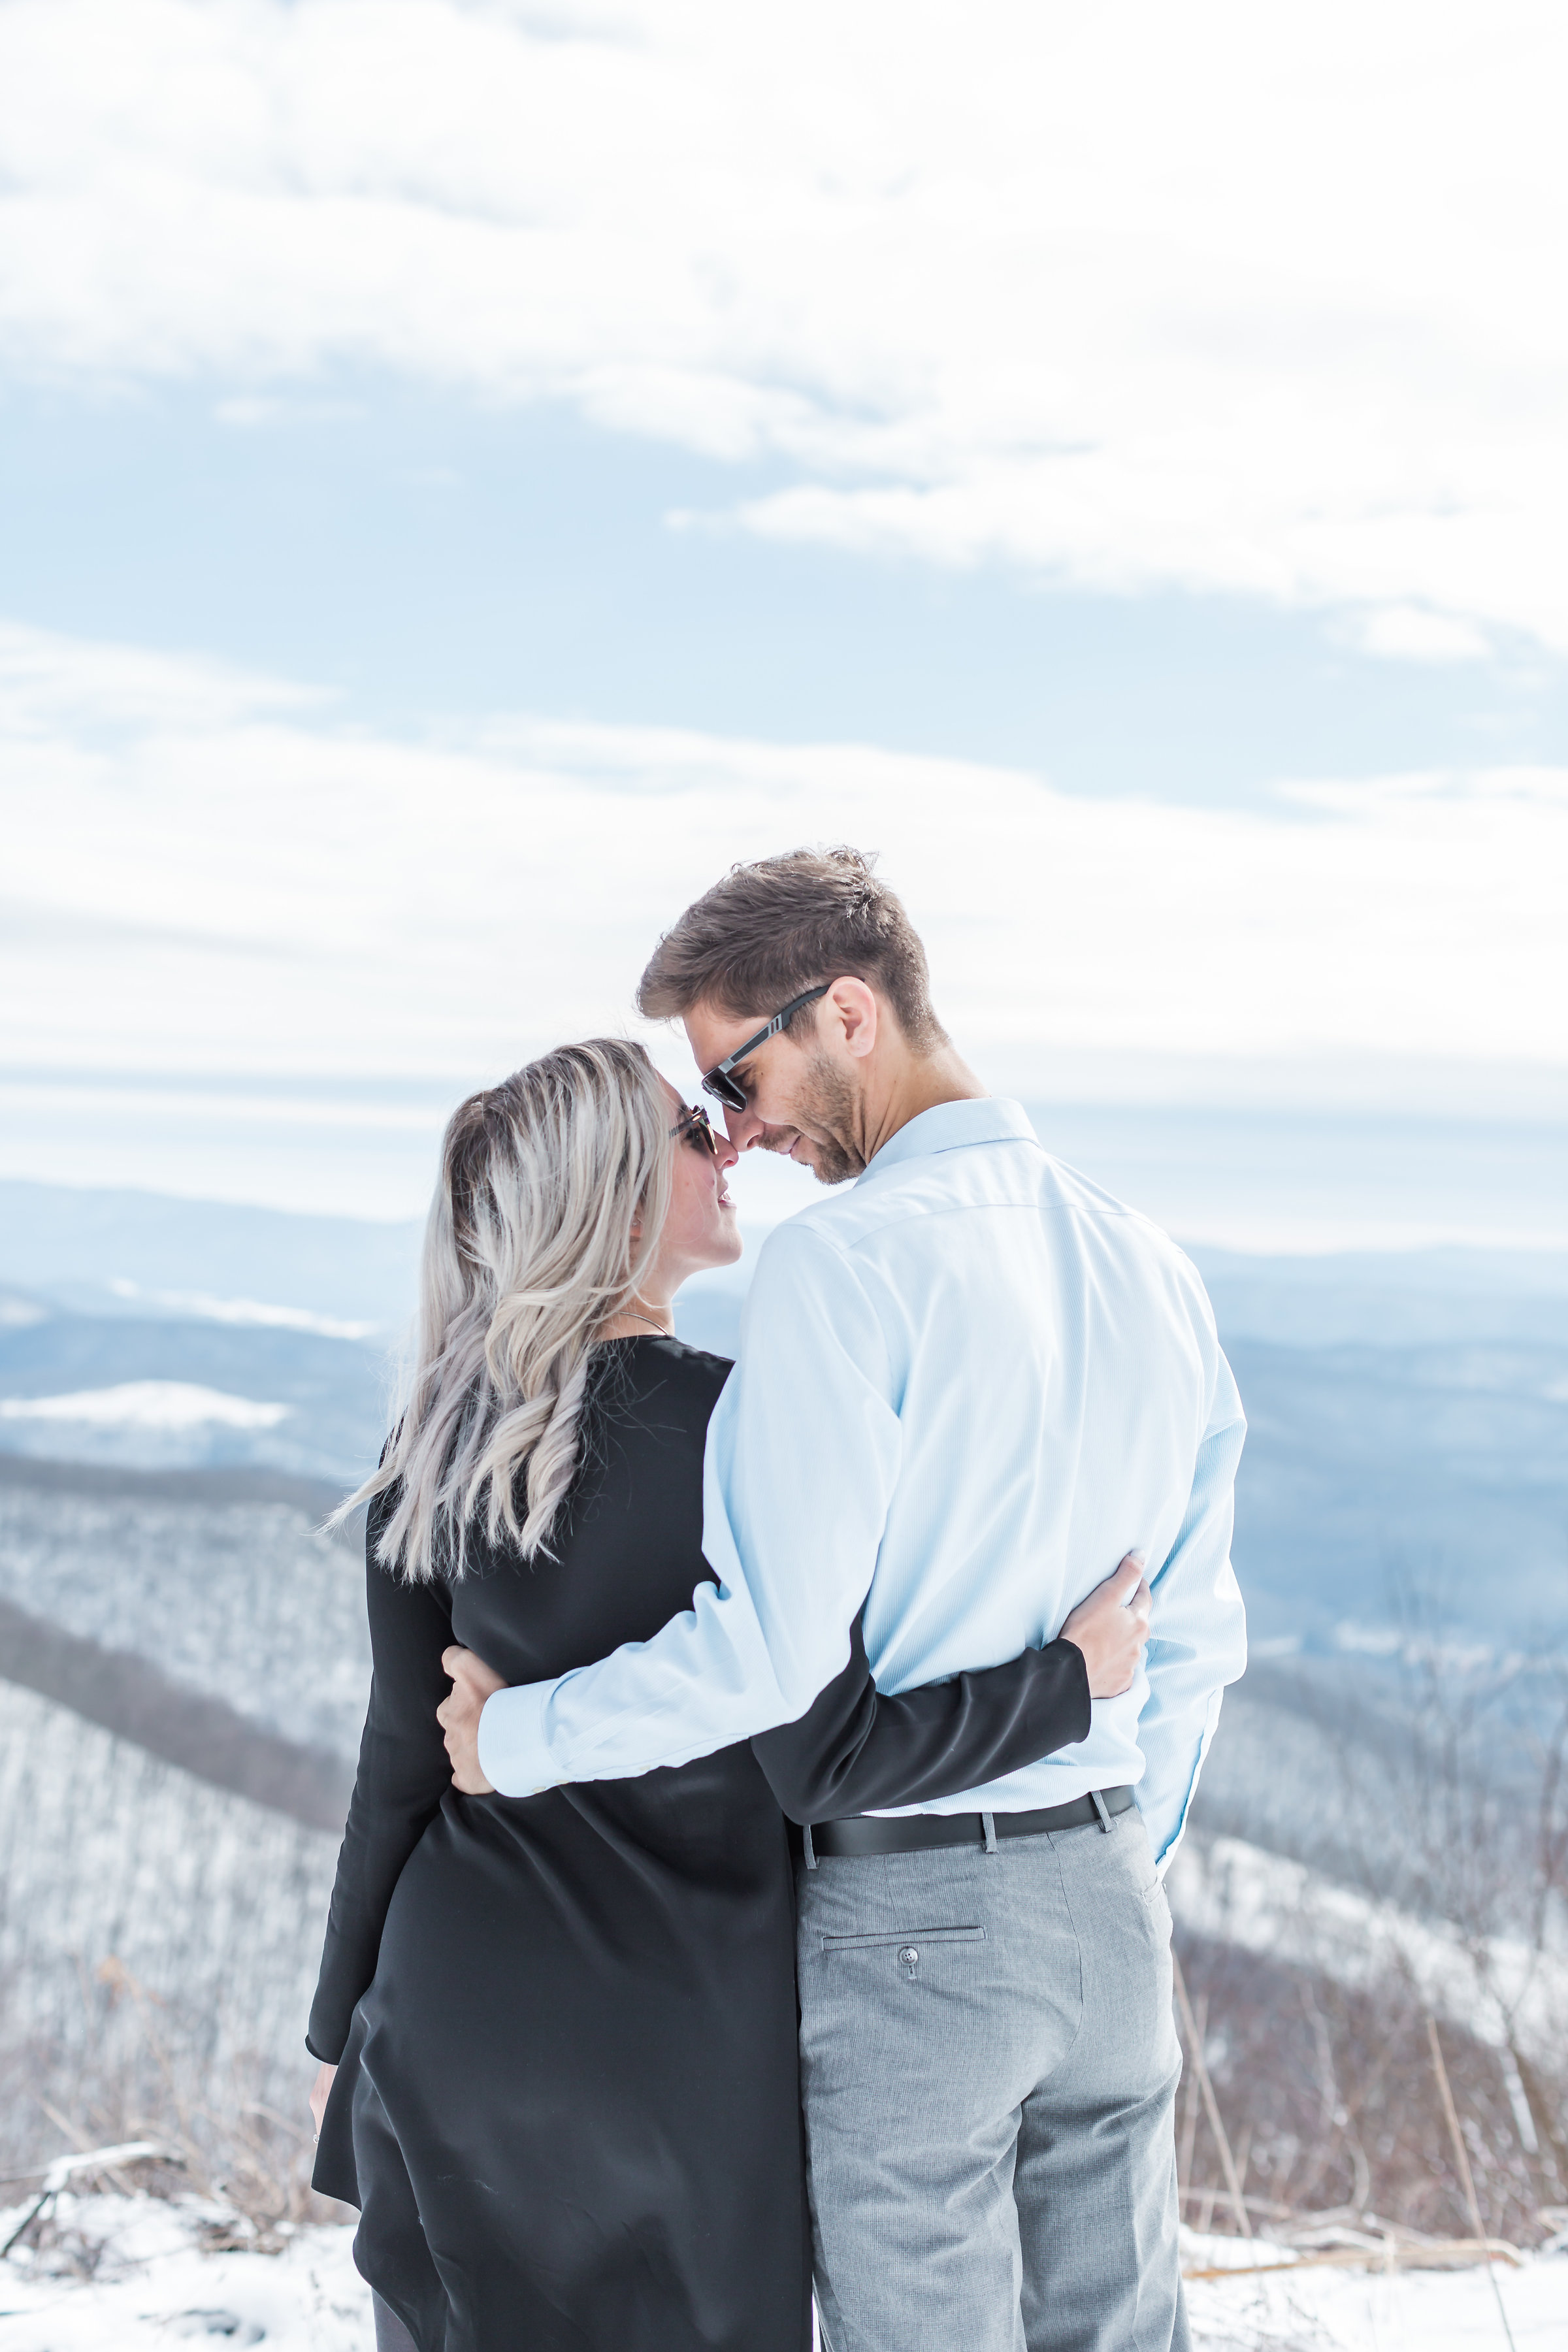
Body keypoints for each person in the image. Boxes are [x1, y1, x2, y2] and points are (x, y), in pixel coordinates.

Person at [449, 849, 1249, 2352]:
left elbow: (765, 1652)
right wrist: (1110, 1859)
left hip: (917, 1925)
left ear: (848, 1013)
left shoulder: (846, 1268)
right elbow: (1196, 1640)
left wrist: (523, 1741)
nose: (741, 1138)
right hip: (1110, 1905)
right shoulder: (1156, 1267)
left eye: (739, 1081)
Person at [305, 1037, 1151, 2352]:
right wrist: (1067, 1685)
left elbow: (397, 1765)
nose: (730, 1142)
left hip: (448, 2018)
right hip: (676, 2056)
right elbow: (837, 1754)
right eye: (693, 1131)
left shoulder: (437, 1442)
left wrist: (339, 2028)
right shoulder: (756, 1437)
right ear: (621, 1197)